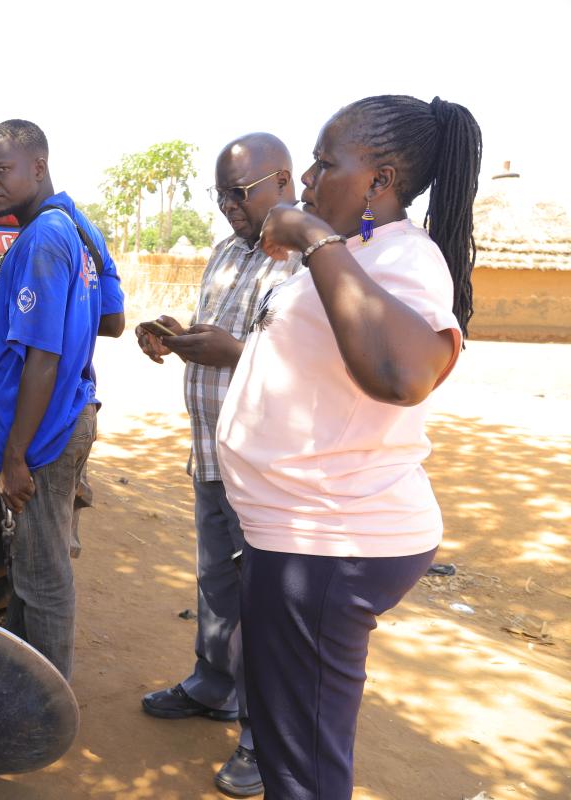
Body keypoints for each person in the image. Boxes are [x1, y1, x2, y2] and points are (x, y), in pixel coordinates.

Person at [217, 95, 481, 800]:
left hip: (331, 542)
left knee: (302, 763)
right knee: (290, 741)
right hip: (304, 534)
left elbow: (403, 373)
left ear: (379, 181)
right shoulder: (358, 253)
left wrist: (312, 236)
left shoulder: (403, 259)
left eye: (326, 163)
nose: (305, 178)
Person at [135, 133, 300, 798]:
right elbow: (220, 334)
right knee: (216, 586)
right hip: (211, 452)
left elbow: (306, 367)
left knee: (266, 605)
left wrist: (233, 352)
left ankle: (265, 746)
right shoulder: (229, 252)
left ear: (283, 182)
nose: (230, 204)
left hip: (266, 465)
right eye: (221, 193)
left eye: (242, 191)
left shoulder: (309, 265)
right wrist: (174, 332)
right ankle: (213, 685)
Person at [0, 119, 124, 679]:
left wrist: (16, 456)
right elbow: (112, 319)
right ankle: (23, 677)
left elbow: (43, 357)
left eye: (1, 169)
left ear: (37, 166)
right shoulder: (78, 226)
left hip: (43, 433)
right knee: (36, 561)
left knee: (43, 574)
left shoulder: (41, 238)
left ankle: (47, 704)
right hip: (75, 415)